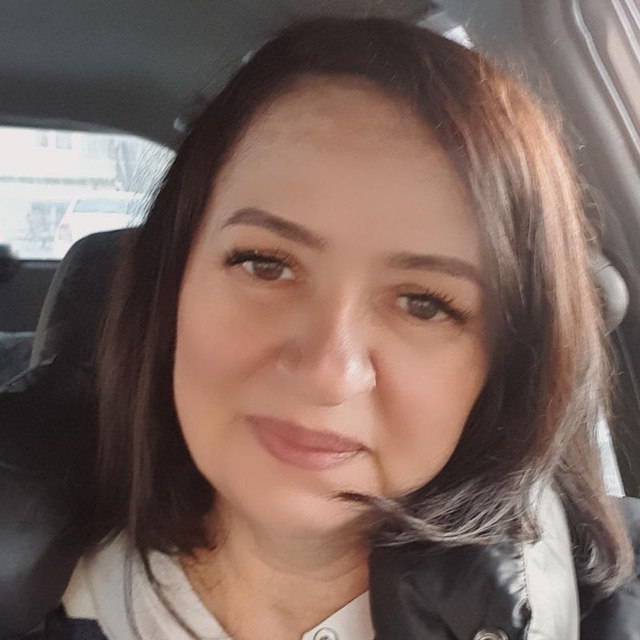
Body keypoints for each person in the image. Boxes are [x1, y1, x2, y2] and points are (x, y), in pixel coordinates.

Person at [39, 15, 639, 640]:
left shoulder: (597, 610)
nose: (329, 373)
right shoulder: (39, 599)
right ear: (171, 286)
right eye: (265, 264)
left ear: (507, 360)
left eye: (424, 303)